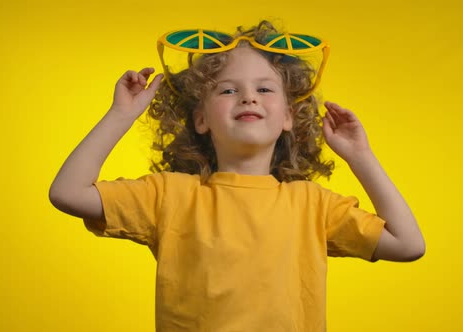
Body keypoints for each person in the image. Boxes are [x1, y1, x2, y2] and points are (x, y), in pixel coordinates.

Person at [49, 20, 425, 331]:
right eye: (228, 89)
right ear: (201, 119)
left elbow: (407, 245)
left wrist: (360, 157)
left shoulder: (312, 204)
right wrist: (120, 115)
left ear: (288, 118)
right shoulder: (169, 195)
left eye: (264, 88)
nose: (249, 97)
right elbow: (68, 192)